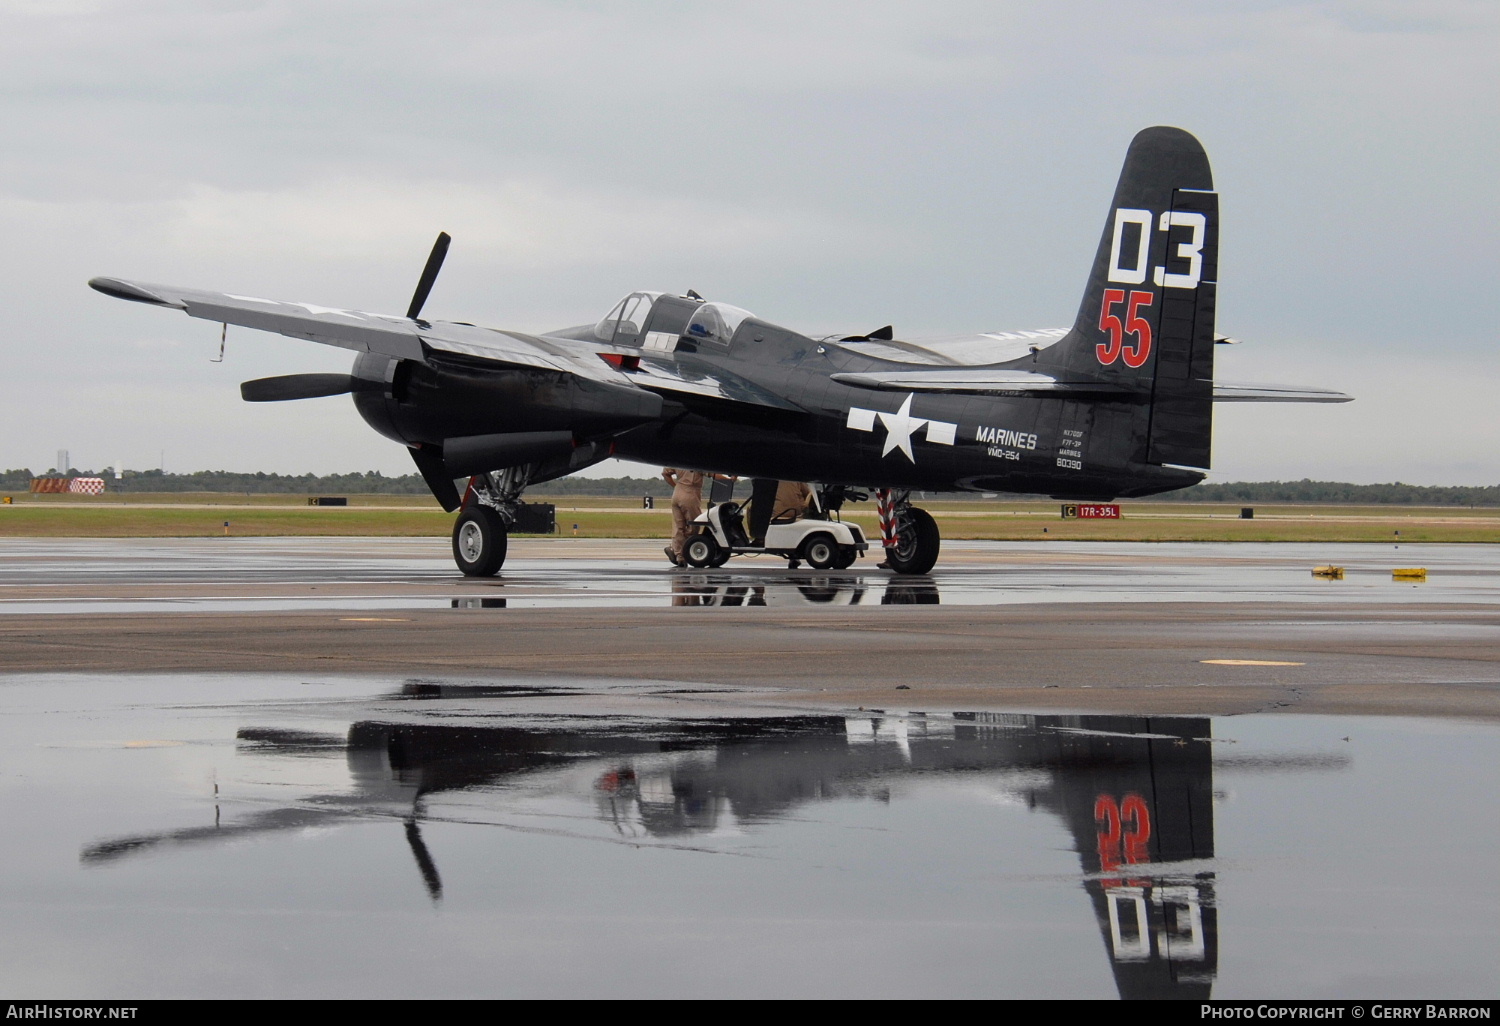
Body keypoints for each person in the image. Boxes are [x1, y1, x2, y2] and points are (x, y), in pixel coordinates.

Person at [661, 468, 734, 565]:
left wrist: (675, 486)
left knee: (678, 526)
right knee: (694, 524)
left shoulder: (678, 461)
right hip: (690, 493)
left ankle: (678, 554)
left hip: (677, 492)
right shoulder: (696, 462)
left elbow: (665, 474)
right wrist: (729, 479)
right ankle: (685, 550)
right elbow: (713, 474)